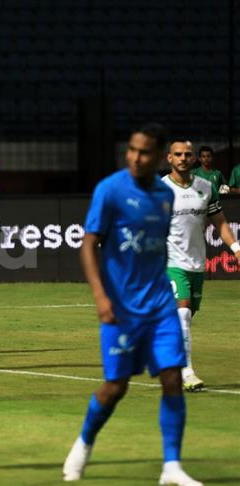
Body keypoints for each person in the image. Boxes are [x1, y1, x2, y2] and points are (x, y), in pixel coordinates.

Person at [62, 124, 202, 486]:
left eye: (144, 152)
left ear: (157, 157)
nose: (136, 158)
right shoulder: (110, 190)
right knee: (116, 387)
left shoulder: (164, 195)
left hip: (160, 306)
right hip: (122, 310)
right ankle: (83, 444)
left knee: (172, 377)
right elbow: (88, 244)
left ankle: (172, 466)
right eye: (132, 150)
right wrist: (101, 296)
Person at [162, 140, 240, 391]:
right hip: (170, 262)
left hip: (196, 263)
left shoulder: (206, 188)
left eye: (187, 154)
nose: (183, 158)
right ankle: (187, 372)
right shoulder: (159, 190)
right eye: (178, 154)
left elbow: (220, 222)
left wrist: (236, 248)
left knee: (186, 316)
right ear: (169, 158)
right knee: (183, 312)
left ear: (194, 158)